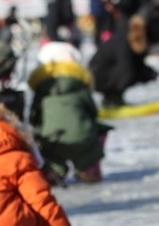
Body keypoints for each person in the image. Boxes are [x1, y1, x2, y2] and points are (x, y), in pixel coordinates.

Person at [28, 41, 111, 185]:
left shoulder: (41, 88)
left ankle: (53, 171)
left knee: (45, 141)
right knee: (98, 130)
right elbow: (92, 112)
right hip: (82, 139)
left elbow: (34, 117)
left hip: (52, 140)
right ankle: (88, 169)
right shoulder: (79, 84)